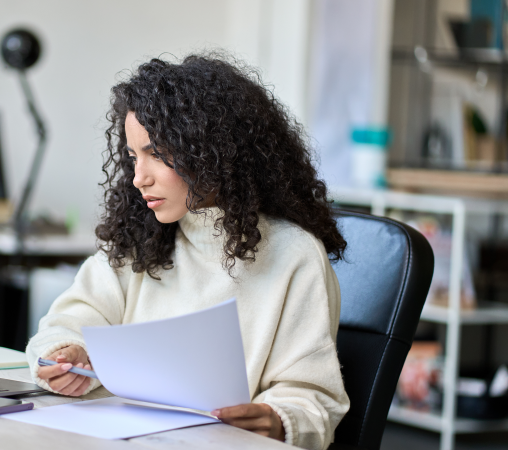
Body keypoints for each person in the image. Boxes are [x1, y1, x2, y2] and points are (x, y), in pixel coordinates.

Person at [26, 53, 350, 450]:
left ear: (214, 151)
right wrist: (66, 352)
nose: (138, 178)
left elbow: (313, 398)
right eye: (132, 157)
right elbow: (68, 320)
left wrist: (279, 420)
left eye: (157, 154)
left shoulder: (294, 255)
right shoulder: (142, 239)